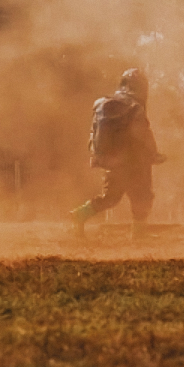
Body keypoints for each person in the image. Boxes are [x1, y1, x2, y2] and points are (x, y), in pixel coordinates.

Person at [71, 68, 166, 240]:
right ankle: (139, 235)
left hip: (112, 161)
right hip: (135, 161)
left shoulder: (104, 104)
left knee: (110, 198)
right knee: (142, 196)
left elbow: (93, 132)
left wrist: (98, 156)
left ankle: (80, 214)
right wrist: (154, 154)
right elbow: (142, 133)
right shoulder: (135, 106)